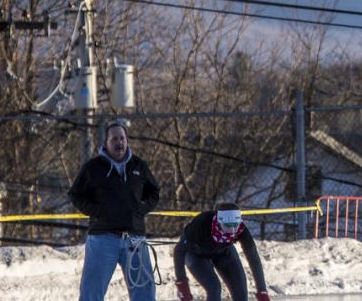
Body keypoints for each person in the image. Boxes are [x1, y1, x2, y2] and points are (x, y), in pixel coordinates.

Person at [69, 119, 161, 301]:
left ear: (127, 141)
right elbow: (75, 195)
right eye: (114, 139)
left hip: (135, 238)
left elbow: (154, 192)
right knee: (91, 293)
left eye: (122, 138)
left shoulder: (139, 166)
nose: (119, 143)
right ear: (106, 143)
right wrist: (97, 211)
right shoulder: (92, 168)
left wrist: (141, 209)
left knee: (144, 292)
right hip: (102, 239)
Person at [173, 202, 271, 301]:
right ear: (219, 222)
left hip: (223, 252)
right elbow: (179, 251)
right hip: (196, 254)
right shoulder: (201, 223)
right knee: (214, 288)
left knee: (240, 289)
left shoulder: (241, 230)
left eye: (235, 226)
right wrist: (182, 283)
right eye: (228, 226)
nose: (232, 231)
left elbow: (253, 258)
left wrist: (262, 291)